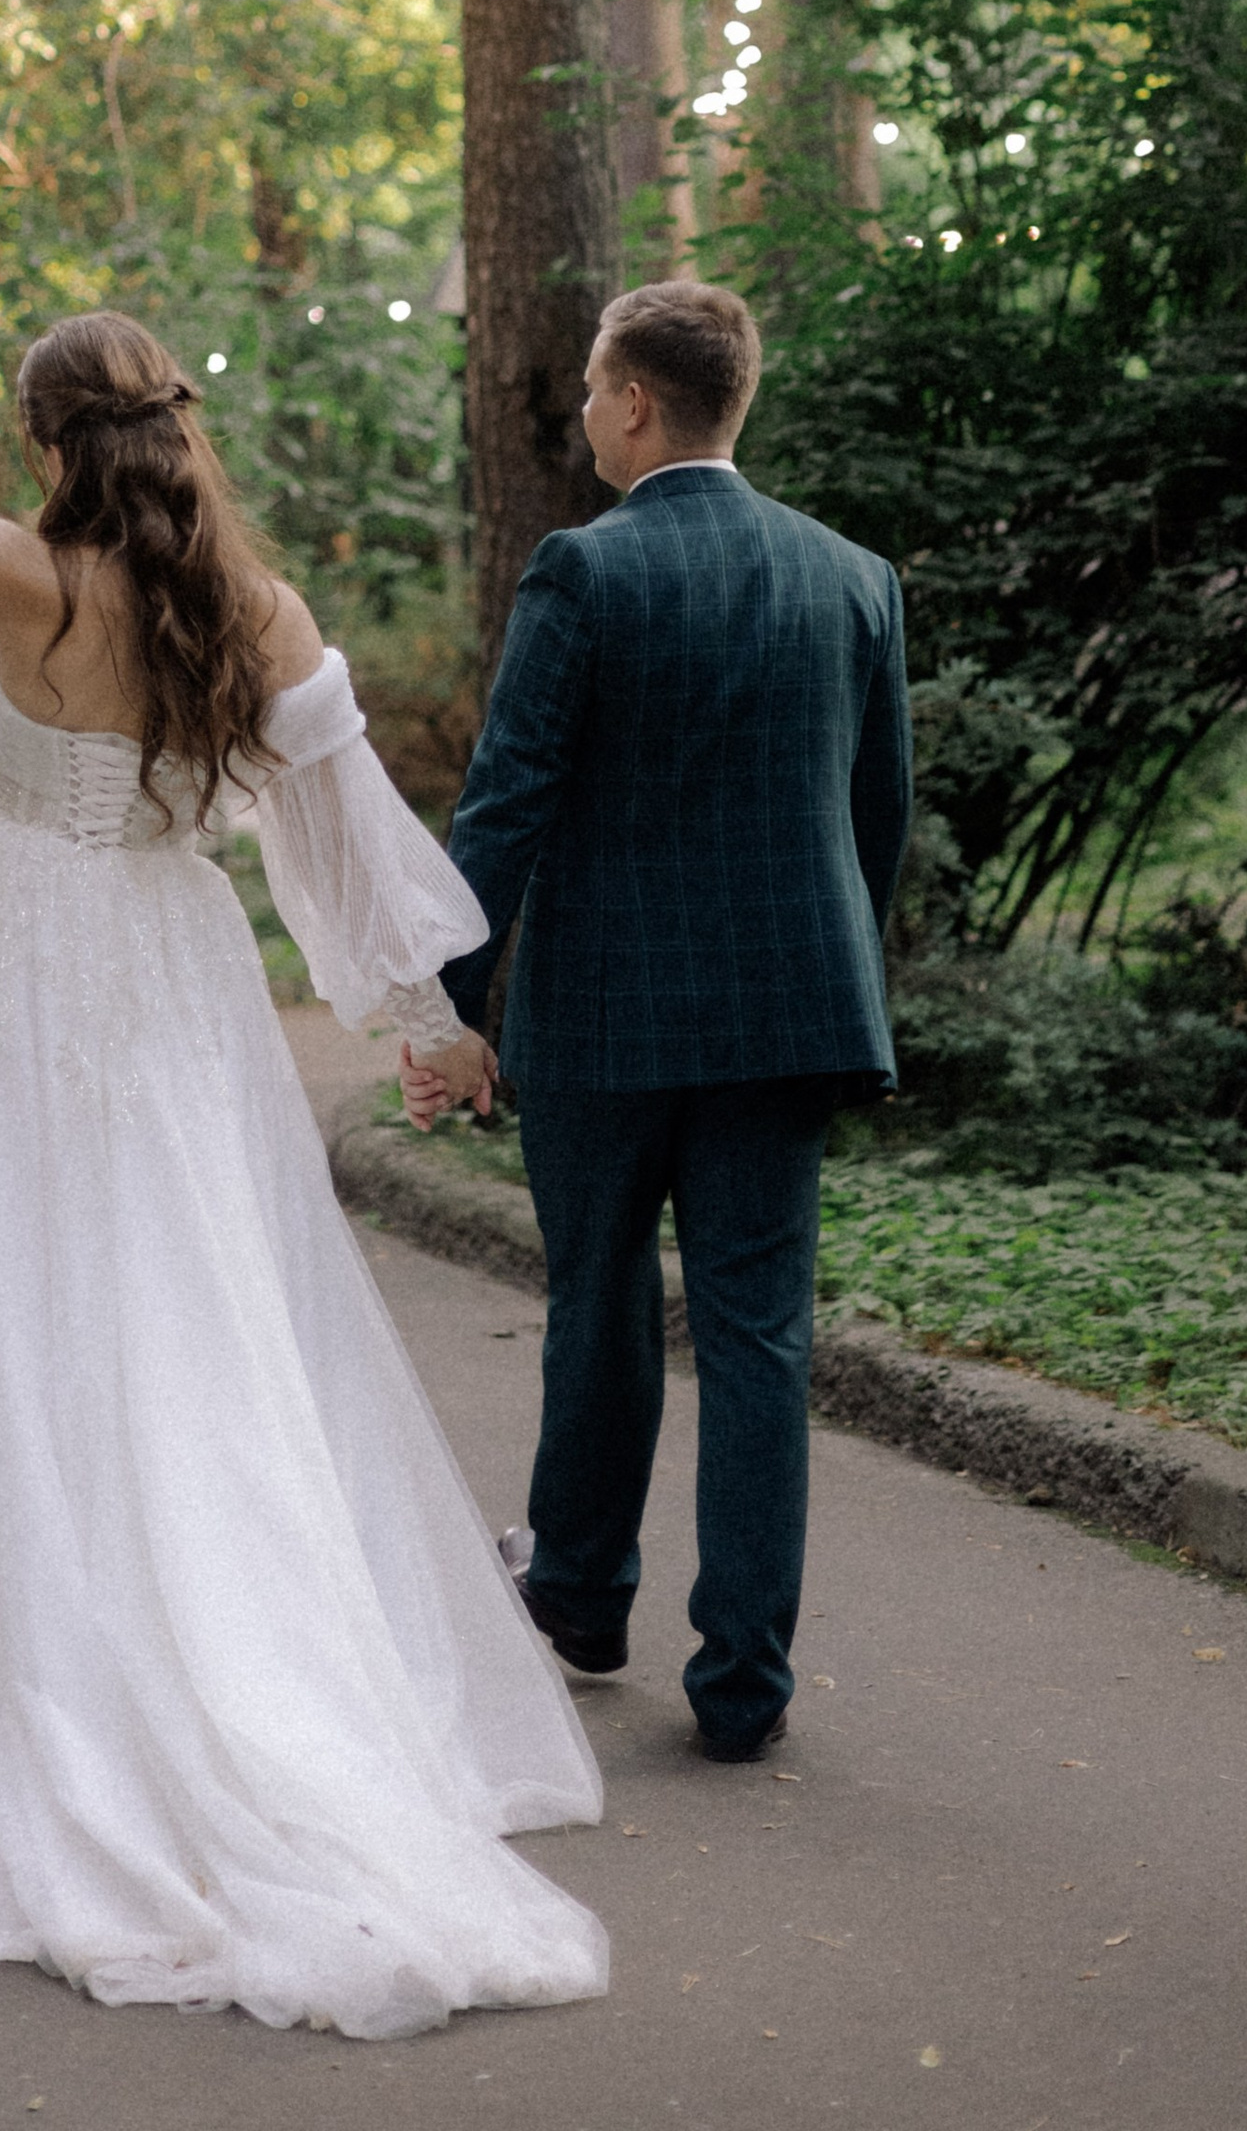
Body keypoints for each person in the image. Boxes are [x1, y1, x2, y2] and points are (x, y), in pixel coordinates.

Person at [0, 285, 607, 2040]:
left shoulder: (10, 574)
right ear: (181, 431)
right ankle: (229, 1678)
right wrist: (424, 1026)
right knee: (184, 1309)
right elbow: (342, 844)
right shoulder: (261, 614)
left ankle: (0, 1698)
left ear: (46, 444)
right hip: (169, 973)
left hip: (0, 942)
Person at [404, 278, 909, 1765]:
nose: (577, 410)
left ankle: (577, 1600)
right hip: (793, 1014)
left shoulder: (587, 572)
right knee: (759, 1337)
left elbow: (506, 806)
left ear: (636, 402)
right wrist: (832, 980)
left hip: (609, 1022)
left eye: (586, 387)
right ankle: (744, 1684)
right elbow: (873, 826)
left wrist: (447, 1001)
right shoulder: (853, 578)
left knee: (602, 1302)